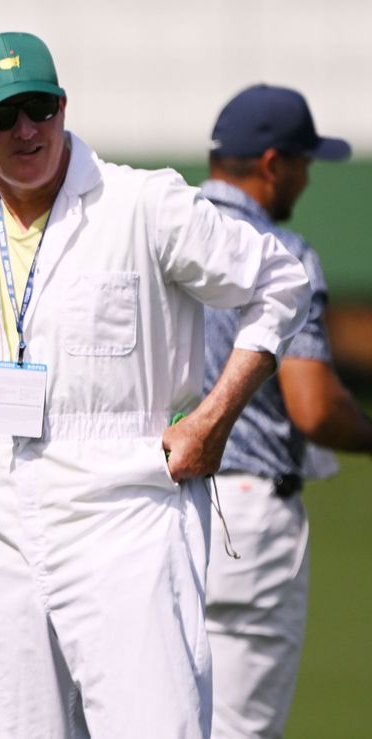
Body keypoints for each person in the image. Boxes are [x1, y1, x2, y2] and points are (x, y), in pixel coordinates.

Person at [0, 32, 312, 738]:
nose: (27, 130)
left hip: (130, 515)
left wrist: (213, 419)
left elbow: (278, 282)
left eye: (40, 108)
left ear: (63, 106)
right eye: (3, 116)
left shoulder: (143, 203)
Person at [200, 84, 372, 739]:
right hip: (248, 517)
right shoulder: (283, 254)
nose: (306, 177)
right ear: (273, 163)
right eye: (303, 162)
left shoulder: (157, 235)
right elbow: (313, 406)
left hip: (150, 507)